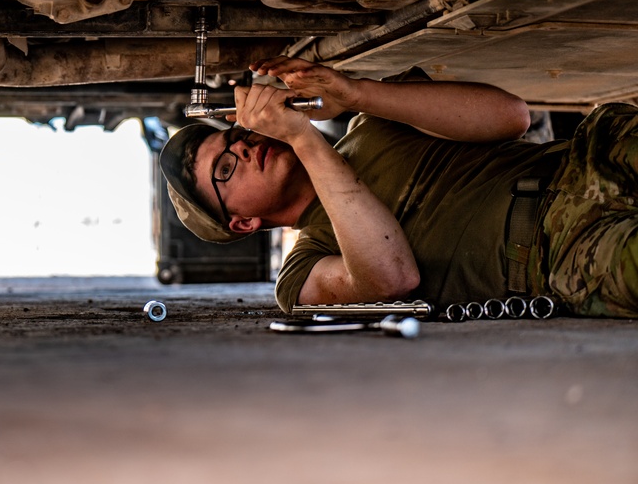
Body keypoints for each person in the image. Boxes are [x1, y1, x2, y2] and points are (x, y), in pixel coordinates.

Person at [159, 56, 638, 318]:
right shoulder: (302, 274)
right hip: (570, 253)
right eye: (225, 170)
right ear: (242, 222)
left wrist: (356, 94)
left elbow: (511, 117)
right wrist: (303, 138)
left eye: (235, 138)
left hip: (592, 156)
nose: (242, 149)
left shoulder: (372, 125)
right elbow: (390, 279)